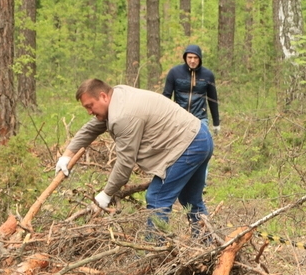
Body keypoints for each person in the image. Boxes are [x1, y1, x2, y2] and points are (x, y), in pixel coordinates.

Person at [54, 79, 213, 231]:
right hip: (200, 136)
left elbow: (125, 164)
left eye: (90, 106)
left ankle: (154, 251)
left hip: (188, 145)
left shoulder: (123, 116)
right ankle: (207, 244)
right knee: (190, 199)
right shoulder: (117, 96)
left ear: (103, 96)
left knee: (157, 198)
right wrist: (67, 156)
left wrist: (106, 194)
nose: (89, 112)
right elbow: (91, 128)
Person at [163, 44, 221, 134]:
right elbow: (166, 97)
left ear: (200, 59)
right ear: (185, 57)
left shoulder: (208, 75)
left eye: (195, 58)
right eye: (190, 57)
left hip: (200, 118)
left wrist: (216, 123)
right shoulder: (174, 72)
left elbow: (212, 100)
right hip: (179, 117)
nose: (192, 61)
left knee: (203, 144)